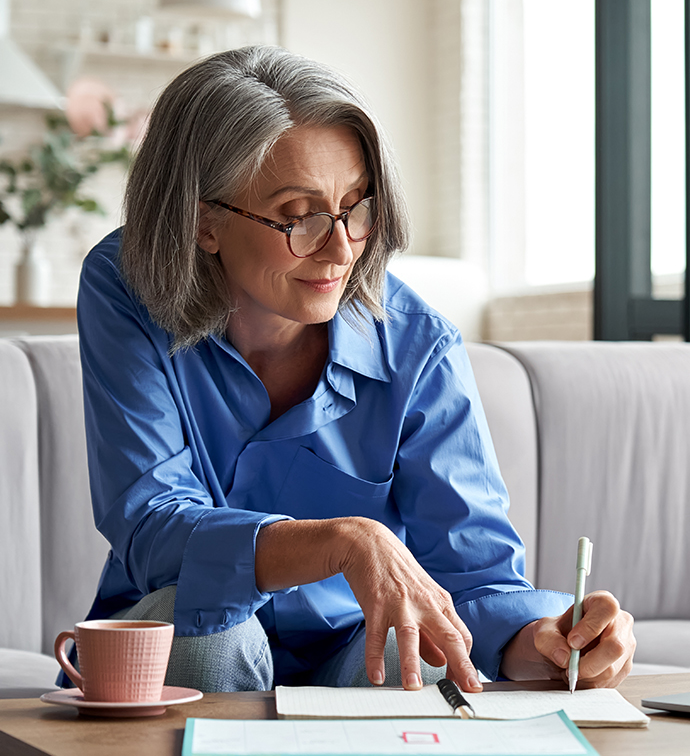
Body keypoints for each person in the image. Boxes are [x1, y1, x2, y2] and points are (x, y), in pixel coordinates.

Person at [74, 45, 635, 694]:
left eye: (357, 207)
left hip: (352, 648)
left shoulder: (418, 345)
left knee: (416, 645)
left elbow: (475, 573)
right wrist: (340, 541)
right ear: (204, 224)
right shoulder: (126, 285)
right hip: (190, 639)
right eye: (299, 216)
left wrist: (544, 642)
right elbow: (150, 520)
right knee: (207, 622)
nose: (341, 249)